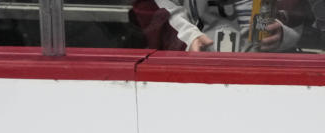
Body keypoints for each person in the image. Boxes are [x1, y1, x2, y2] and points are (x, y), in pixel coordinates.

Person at [129, 0, 312, 51]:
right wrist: (188, 39)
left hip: (266, 77)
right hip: (193, 76)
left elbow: (308, 20)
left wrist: (284, 35)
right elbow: (153, 10)